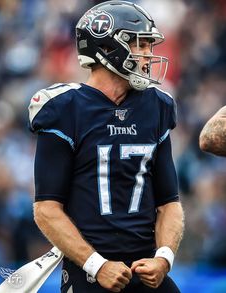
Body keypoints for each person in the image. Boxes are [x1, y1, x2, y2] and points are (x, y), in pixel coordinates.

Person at [28, 1, 184, 292]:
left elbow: (169, 203)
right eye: (141, 45)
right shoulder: (65, 108)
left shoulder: (157, 105)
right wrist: (96, 265)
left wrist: (163, 258)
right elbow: (46, 208)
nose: (150, 55)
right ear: (110, 47)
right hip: (89, 274)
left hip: (147, 270)